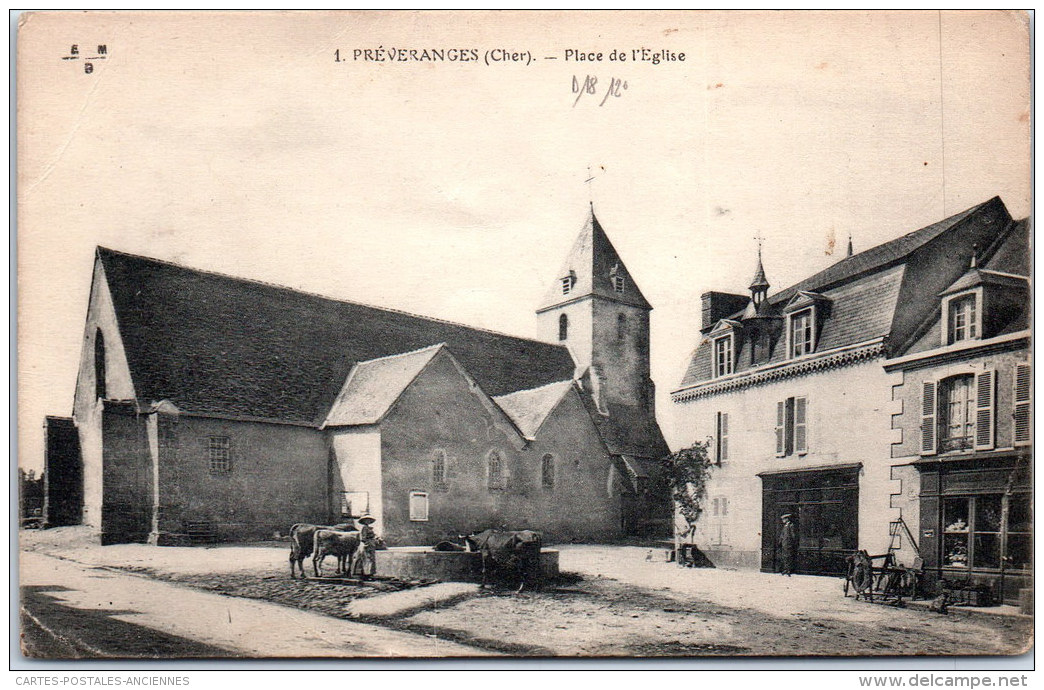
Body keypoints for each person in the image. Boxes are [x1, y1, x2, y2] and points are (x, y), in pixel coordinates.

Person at [354, 514, 378, 578]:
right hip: (367, 544)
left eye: (369, 520)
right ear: (364, 521)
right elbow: (363, 537)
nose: (368, 521)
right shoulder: (364, 528)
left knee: (370, 558)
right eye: (366, 520)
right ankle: (366, 573)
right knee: (367, 558)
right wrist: (366, 543)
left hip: (371, 544)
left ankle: (369, 573)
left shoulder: (368, 527)